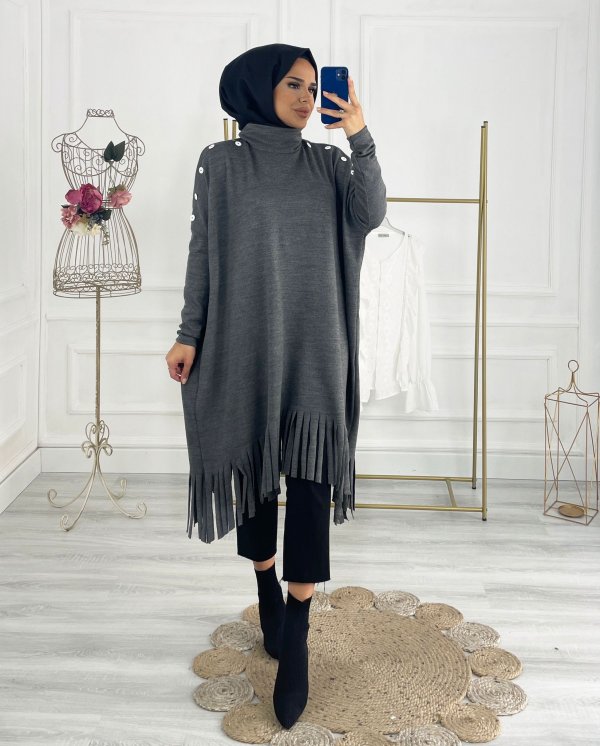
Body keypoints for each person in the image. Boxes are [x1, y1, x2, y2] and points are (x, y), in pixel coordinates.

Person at [165, 43, 387, 729]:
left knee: (311, 481)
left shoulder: (329, 164)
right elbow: (203, 253)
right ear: (259, 89)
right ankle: (264, 578)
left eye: (313, 88)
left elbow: (371, 213)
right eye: (293, 84)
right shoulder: (221, 163)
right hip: (245, 341)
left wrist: (358, 133)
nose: (305, 97)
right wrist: (189, 332)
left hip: (317, 344)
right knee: (257, 472)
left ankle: (299, 624)